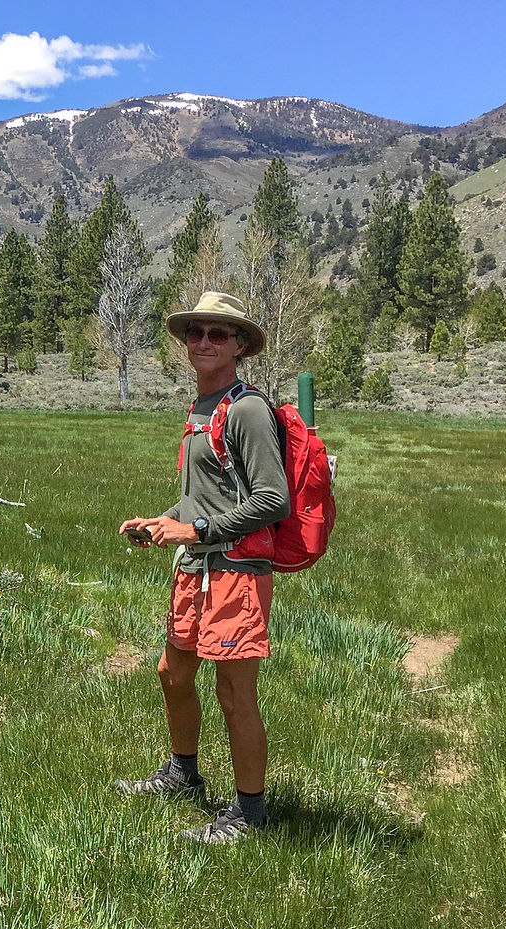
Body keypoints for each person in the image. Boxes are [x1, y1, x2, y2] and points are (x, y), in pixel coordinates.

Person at [115, 291, 289, 845]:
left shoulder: (248, 410)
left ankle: (249, 814)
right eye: (196, 332)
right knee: (173, 674)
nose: (204, 342)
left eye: (218, 334)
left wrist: (195, 531)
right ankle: (183, 775)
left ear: (239, 346)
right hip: (196, 566)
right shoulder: (201, 409)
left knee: (235, 696)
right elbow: (202, 497)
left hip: (237, 569)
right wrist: (165, 520)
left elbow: (272, 500)